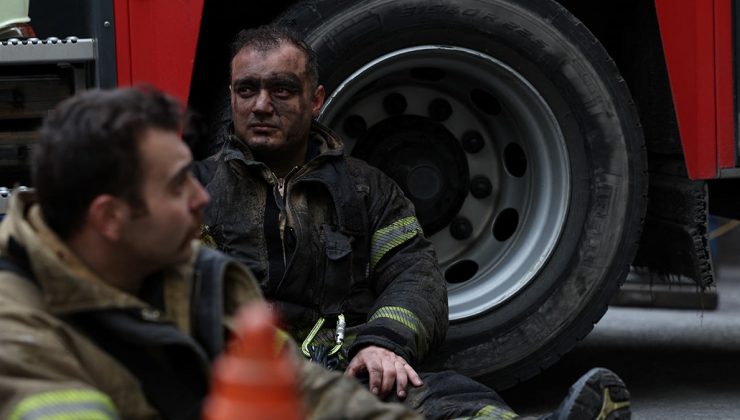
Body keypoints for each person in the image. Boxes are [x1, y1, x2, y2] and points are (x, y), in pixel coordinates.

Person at [196, 25, 631, 420]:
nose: (261, 105)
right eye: (247, 89)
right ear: (231, 95)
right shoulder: (195, 191)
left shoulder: (368, 190)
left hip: (347, 370)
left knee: (455, 397)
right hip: (243, 382)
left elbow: (415, 276)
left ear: (315, 100)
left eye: (282, 90)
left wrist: (382, 343)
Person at [0, 87, 419, 420]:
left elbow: (302, 389)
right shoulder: (13, 330)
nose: (201, 197)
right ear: (110, 217)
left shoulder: (201, 275)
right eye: (177, 184)